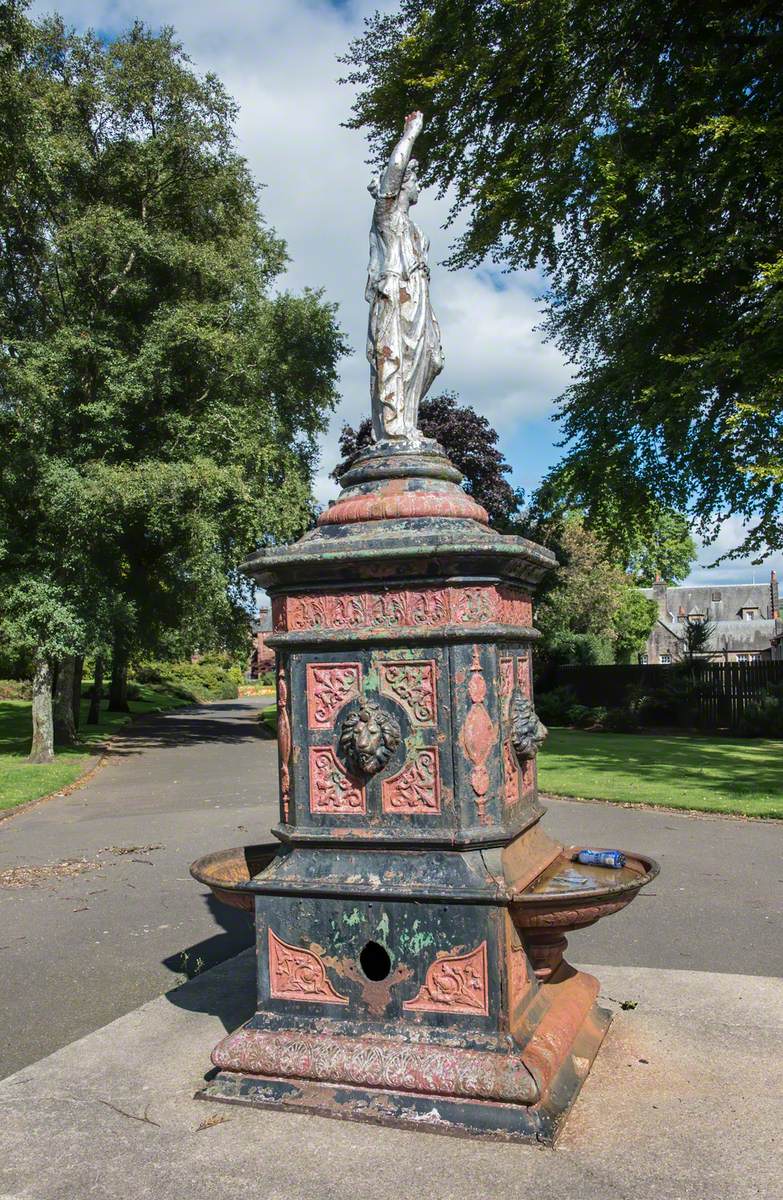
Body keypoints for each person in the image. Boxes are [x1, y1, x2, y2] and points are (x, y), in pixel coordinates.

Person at [366, 110, 444, 442]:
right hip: (394, 294)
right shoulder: (387, 216)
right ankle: (395, 430)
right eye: (415, 180)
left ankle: (407, 424)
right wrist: (411, 132)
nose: (419, 186)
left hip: (418, 298)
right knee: (393, 359)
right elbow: (394, 171)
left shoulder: (416, 231)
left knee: (430, 359)